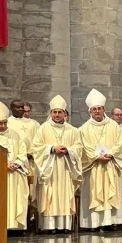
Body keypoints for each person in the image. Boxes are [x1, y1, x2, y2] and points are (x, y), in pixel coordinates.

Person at [32, 95, 83, 233]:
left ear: (65, 114)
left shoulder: (73, 130)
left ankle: (64, 226)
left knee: (65, 195)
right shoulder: (43, 128)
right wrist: (51, 149)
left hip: (66, 168)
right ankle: (49, 226)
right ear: (50, 113)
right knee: (50, 195)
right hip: (50, 169)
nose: (57, 115)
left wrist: (69, 150)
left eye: (60, 112)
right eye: (54, 112)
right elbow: (36, 147)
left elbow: (79, 148)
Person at [78, 89, 122, 231]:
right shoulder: (84, 129)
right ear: (90, 111)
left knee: (110, 192)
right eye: (94, 109)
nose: (97, 111)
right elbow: (83, 146)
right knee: (95, 192)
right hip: (94, 167)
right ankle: (94, 223)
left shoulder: (113, 126)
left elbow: (120, 142)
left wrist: (111, 154)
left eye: (99, 109)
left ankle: (111, 222)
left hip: (111, 164)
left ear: (104, 109)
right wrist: (96, 156)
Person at [0, 102, 29, 230]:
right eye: (0, 123)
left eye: (4, 123)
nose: (3, 126)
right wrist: (3, 165)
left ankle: (14, 226)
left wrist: (18, 163)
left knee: (14, 200)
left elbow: (22, 151)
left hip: (14, 174)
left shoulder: (15, 135)